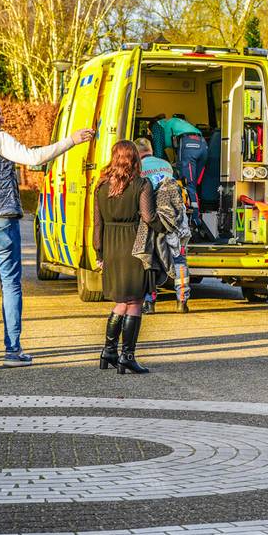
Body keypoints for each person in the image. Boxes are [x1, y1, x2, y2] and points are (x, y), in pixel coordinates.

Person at [0, 99, 94, 371]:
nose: (2, 119)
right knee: (10, 284)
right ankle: (12, 351)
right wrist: (71, 140)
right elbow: (34, 158)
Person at [93, 140, 157, 374]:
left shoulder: (101, 186)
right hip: (133, 245)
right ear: (135, 160)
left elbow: (97, 224)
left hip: (110, 246)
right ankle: (127, 356)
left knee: (121, 301)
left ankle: (108, 351)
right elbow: (148, 217)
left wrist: (99, 252)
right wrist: (168, 227)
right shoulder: (141, 184)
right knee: (135, 301)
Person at [136, 137, 177, 314]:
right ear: (151, 150)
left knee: (148, 258)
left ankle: (149, 299)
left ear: (137, 153)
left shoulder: (138, 167)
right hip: (168, 217)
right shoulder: (166, 165)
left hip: (147, 217)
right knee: (169, 257)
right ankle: (181, 298)